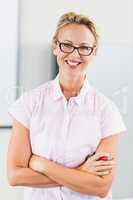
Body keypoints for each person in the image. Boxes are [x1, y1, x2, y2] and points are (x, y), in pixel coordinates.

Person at [7, 12, 127, 200]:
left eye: (84, 47)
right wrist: (80, 172)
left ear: (94, 52)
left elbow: (101, 186)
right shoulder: (29, 103)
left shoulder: (106, 110)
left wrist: (42, 164)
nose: (74, 54)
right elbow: (15, 175)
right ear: (55, 46)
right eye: (67, 45)